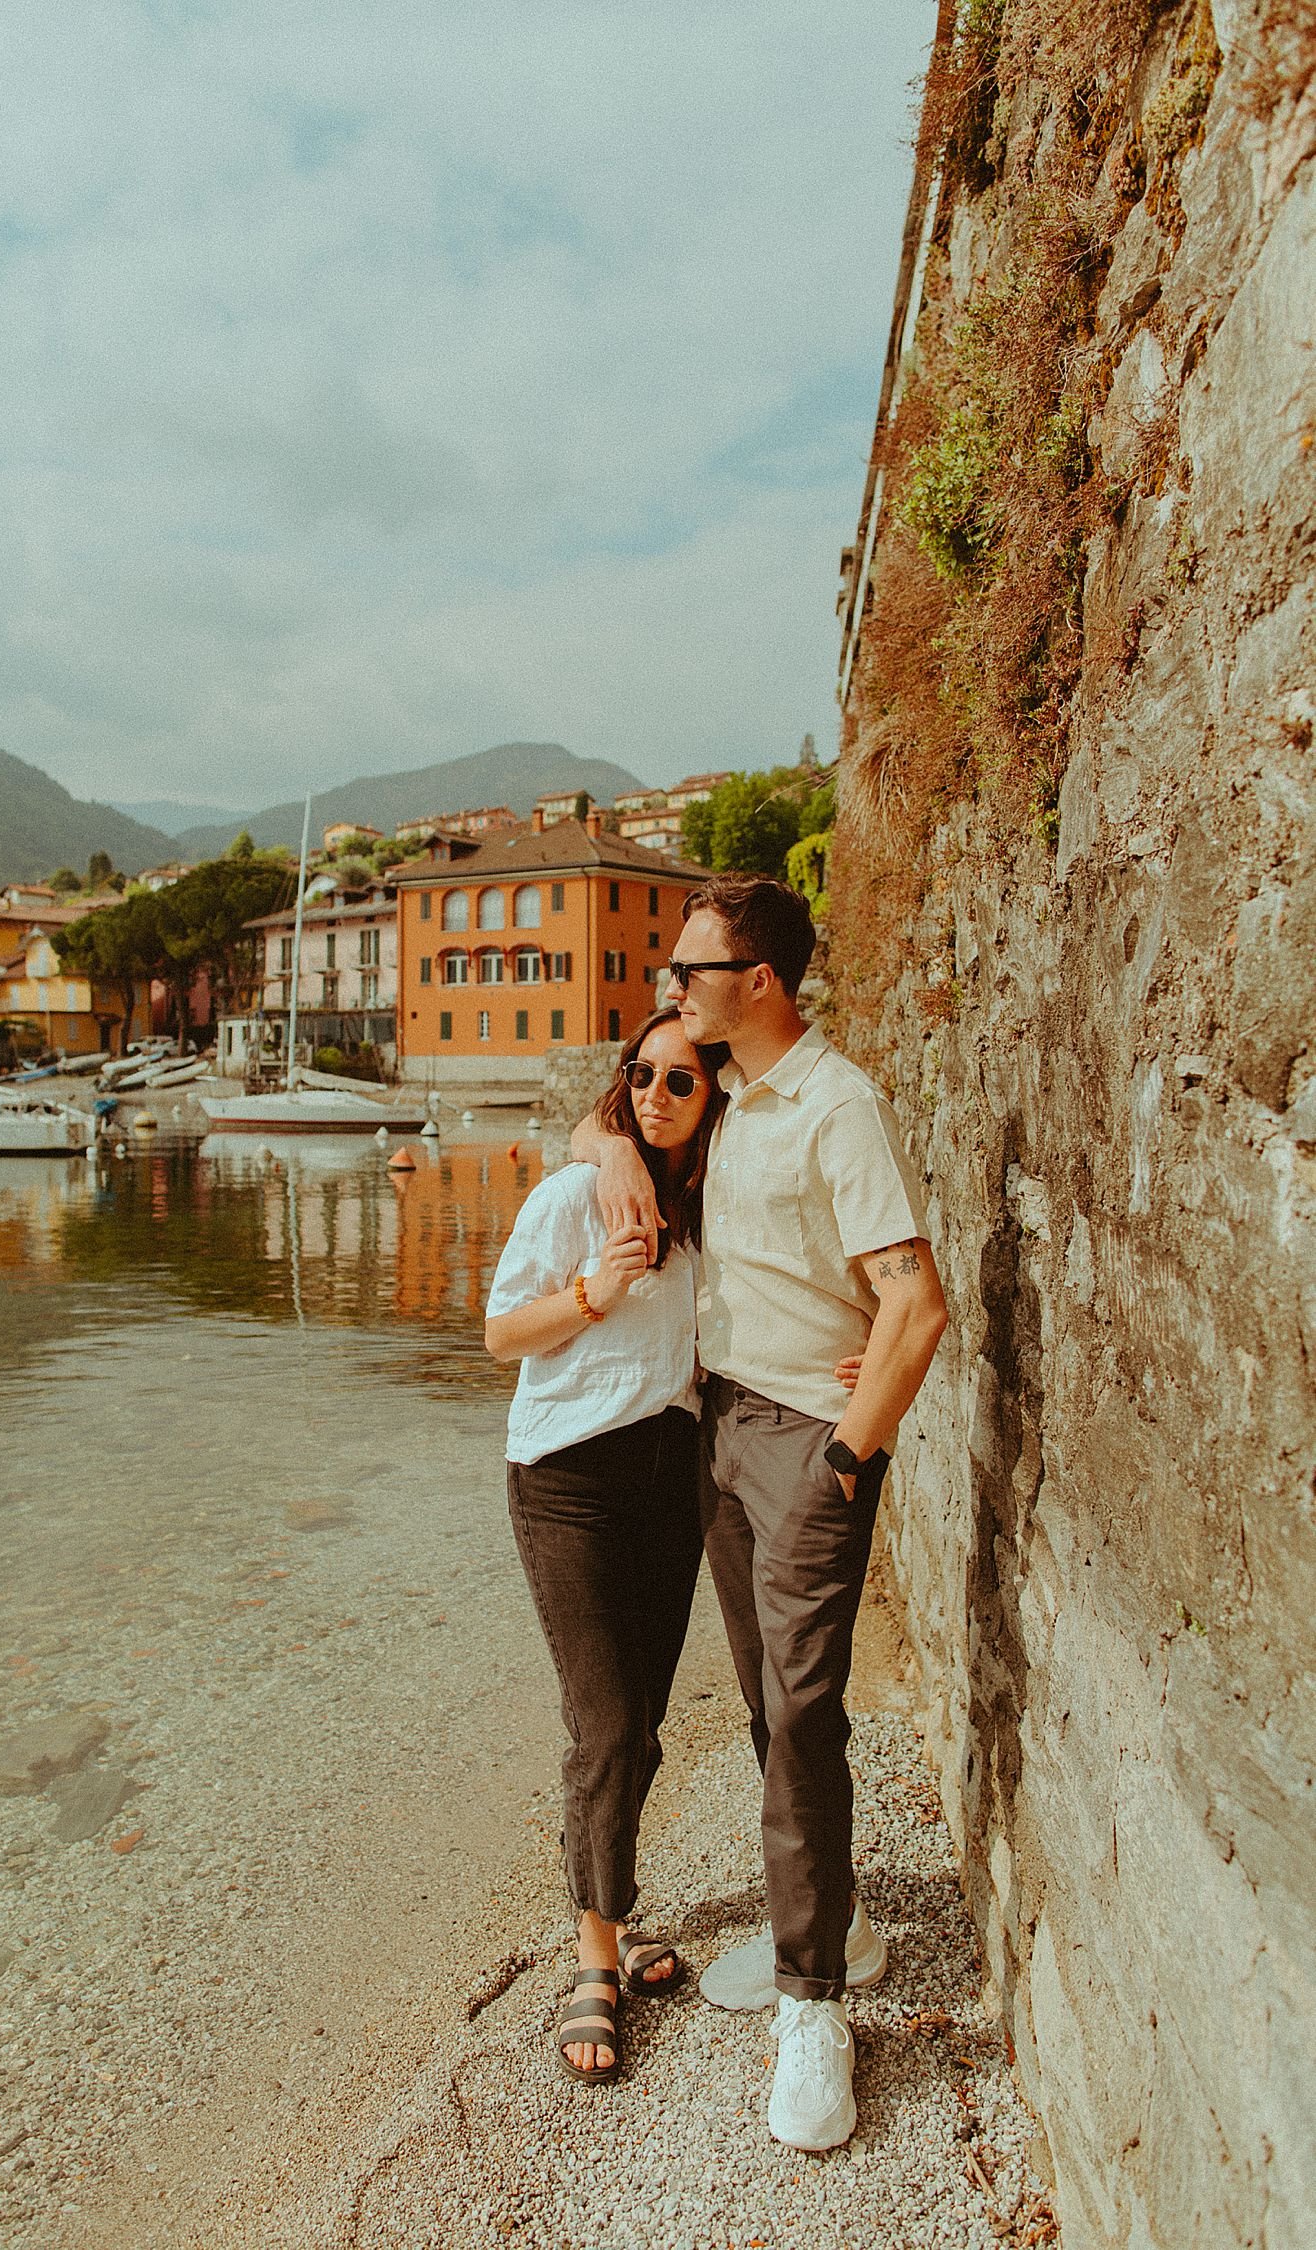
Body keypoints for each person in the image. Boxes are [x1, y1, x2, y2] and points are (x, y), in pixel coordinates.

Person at [571, 873, 948, 2152]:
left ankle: (814, 2006)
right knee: (765, 1702)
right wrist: (619, 1141)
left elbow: (918, 1303)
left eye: (691, 970)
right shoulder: (723, 1099)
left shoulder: (838, 1108)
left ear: (761, 982)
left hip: (803, 1447)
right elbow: (597, 1121)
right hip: (719, 1429)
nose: (672, 988)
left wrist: (850, 1457)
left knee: (798, 1712)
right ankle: (836, 1921)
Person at [484, 1007, 724, 2082]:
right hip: (567, 1483)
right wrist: (594, 1291)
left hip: (672, 1484)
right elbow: (498, 1336)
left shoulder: (714, 1212)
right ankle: (593, 1956)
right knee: (607, 1724)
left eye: (682, 1080)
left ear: (714, 1099)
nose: (656, 1095)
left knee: (645, 1725)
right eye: (642, 1075)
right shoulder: (576, 1195)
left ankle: (613, 1913)